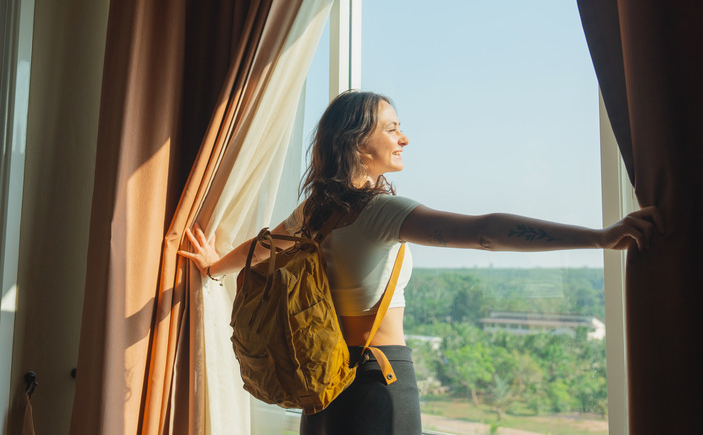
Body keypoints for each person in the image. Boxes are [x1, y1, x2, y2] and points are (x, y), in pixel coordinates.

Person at [179, 90, 663, 434]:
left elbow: (262, 248)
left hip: (320, 382)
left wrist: (214, 264)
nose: (404, 138)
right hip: (377, 380)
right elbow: (484, 233)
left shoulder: (313, 212)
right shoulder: (381, 212)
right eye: (392, 128)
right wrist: (599, 237)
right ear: (357, 142)